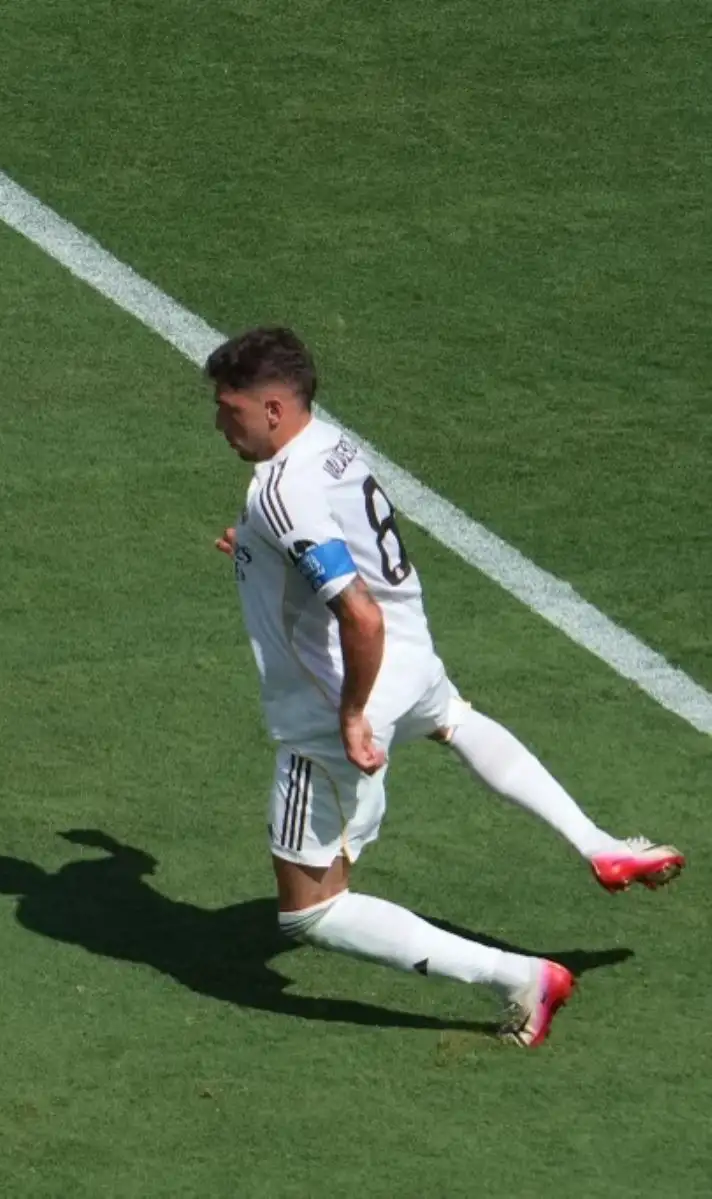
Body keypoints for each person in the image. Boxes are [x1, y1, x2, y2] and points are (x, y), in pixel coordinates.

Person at [207, 326, 680, 1046]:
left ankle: (520, 976)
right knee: (454, 717)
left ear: (273, 409)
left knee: (312, 910)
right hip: (413, 652)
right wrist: (257, 548)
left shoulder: (279, 488)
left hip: (337, 690)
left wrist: (352, 715)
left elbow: (356, 614)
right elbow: (336, 550)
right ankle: (598, 842)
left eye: (229, 408)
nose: (219, 422)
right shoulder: (331, 445)